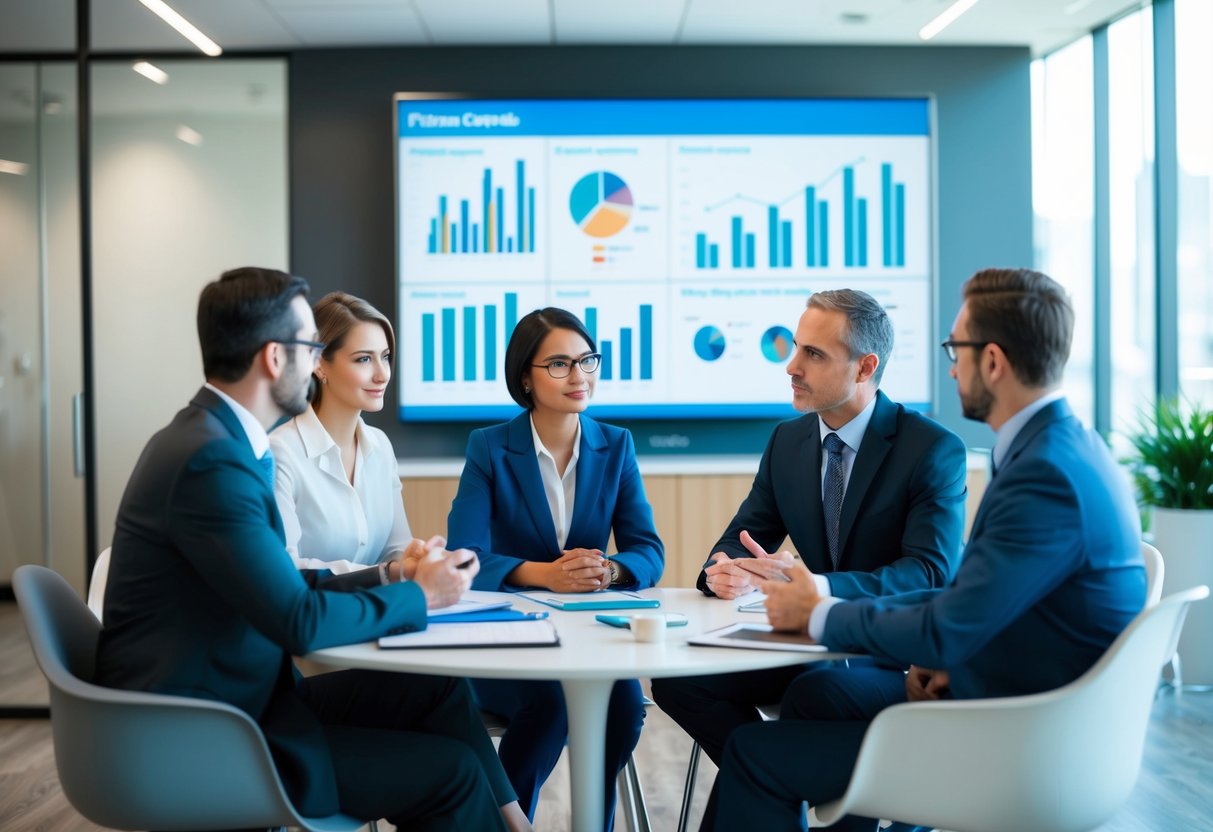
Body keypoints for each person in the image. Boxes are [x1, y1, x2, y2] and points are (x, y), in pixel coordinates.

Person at [711, 268, 1147, 831]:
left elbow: (945, 600)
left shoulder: (1045, 474)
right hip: (1012, 702)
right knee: (814, 698)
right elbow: (983, 602)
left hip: (1023, 741)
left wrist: (819, 611)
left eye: (955, 348)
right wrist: (946, 659)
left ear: (991, 361)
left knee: (757, 753)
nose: (950, 366)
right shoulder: (1063, 449)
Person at [95, 267, 529, 832]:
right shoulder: (214, 461)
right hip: (212, 733)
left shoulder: (212, 440)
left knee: (435, 687)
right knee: (452, 774)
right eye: (310, 348)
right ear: (278, 359)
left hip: (244, 700)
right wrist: (418, 596)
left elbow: (285, 583)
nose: (315, 361)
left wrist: (391, 577)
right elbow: (297, 622)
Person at [651, 288, 967, 801]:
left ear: (865, 367)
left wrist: (812, 587)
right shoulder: (788, 441)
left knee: (814, 692)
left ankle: (772, 783)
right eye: (796, 347)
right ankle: (774, 787)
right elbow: (741, 539)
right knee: (678, 681)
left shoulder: (931, 450)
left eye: (813, 354)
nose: (791, 366)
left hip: (894, 658)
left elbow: (929, 574)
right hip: (812, 649)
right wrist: (726, 571)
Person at [446, 307, 664, 828]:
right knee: (550, 703)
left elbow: (648, 549)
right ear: (526, 376)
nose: (579, 376)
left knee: (623, 707)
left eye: (587, 360)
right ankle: (509, 820)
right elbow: (463, 555)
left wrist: (609, 571)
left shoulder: (616, 445)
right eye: (560, 364)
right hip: (506, 641)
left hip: (589, 637)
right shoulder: (490, 447)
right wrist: (542, 573)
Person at [270, 291, 439, 581]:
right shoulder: (280, 452)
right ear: (319, 364)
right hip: (311, 620)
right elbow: (284, 569)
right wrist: (391, 572)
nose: (382, 374)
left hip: (375, 616)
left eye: (385, 357)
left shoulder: (381, 446)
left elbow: (394, 551)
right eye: (363, 359)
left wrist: (416, 560)